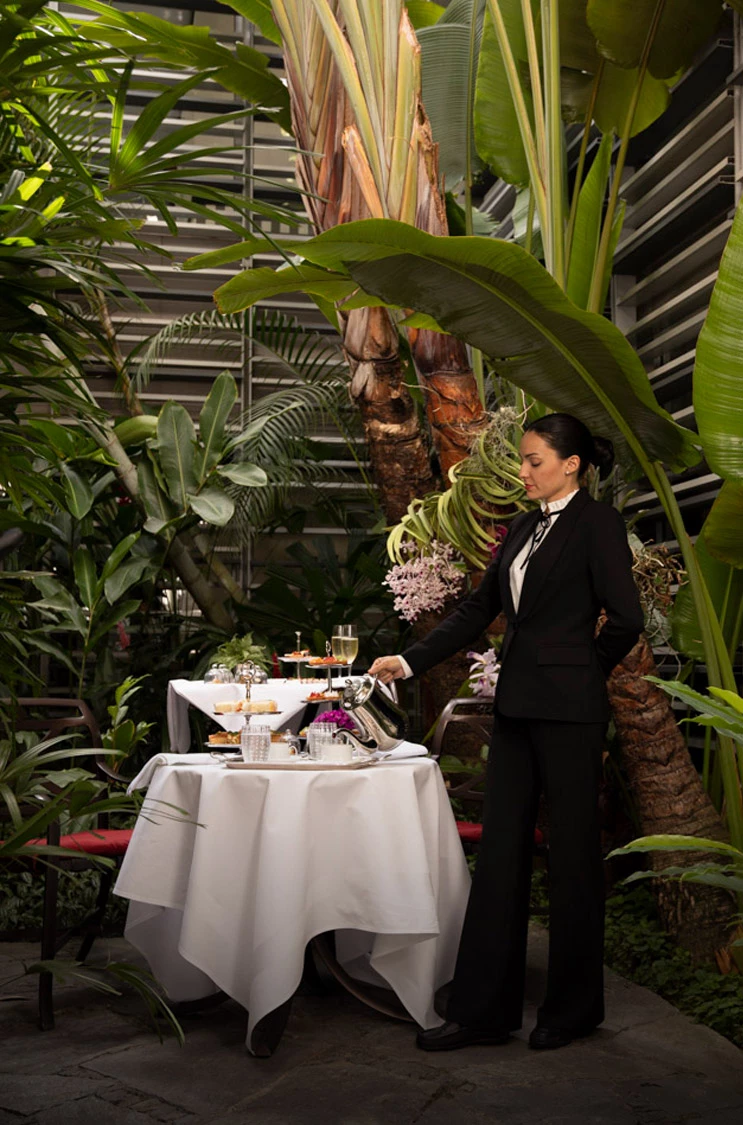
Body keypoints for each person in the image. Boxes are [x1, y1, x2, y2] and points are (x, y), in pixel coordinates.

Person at [369, 412, 644, 1052]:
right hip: (517, 709)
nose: (522, 471)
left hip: (571, 712)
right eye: (522, 460)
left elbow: (626, 619)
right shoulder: (522, 527)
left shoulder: (597, 523)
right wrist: (410, 660)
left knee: (574, 858)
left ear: (571, 465)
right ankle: (484, 1012)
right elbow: (478, 609)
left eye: (534, 461)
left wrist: (579, 671)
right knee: (501, 856)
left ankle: (573, 1010)